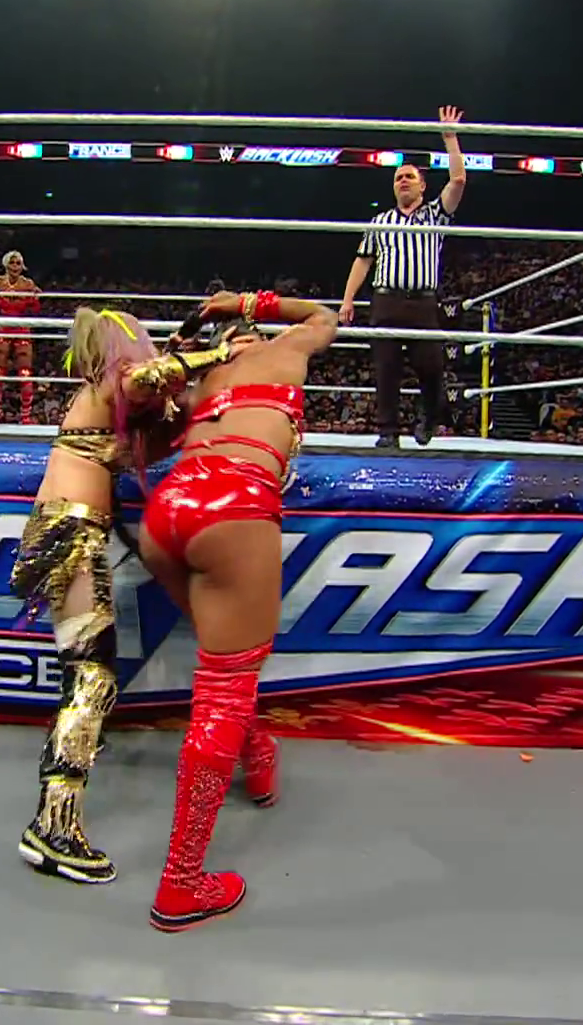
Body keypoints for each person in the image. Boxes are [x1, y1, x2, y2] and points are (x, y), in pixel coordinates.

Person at [11, 307, 236, 885]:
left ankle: (62, 795)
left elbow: (157, 426)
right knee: (91, 678)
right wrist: (217, 354)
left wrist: (198, 385)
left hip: (72, 532)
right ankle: (52, 829)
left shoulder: (109, 407)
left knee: (89, 674)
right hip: (70, 531)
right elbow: (146, 379)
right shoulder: (107, 386)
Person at [138, 288, 339, 932]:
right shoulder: (286, 350)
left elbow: (147, 433)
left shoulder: (204, 378)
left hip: (167, 511)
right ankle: (181, 884)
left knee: (221, 659)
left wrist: (197, 342)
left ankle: (258, 755)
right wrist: (250, 302)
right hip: (234, 503)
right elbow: (326, 316)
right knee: (225, 686)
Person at [340, 106, 467, 449]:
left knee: (431, 366)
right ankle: (388, 433)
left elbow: (458, 181)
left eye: (409, 176)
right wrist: (348, 299)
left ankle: (429, 415)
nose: (403, 180)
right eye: (398, 177)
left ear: (423, 185)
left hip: (423, 302)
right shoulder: (379, 221)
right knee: (386, 369)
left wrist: (450, 139)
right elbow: (363, 260)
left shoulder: (435, 214)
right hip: (386, 300)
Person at [0, 251, 40, 425]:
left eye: (18, 263)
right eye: (12, 263)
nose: (15, 266)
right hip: (4, 326)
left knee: (25, 372)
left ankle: (25, 415)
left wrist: (35, 298)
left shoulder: (28, 284)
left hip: (21, 327)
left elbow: (36, 309)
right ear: (6, 264)